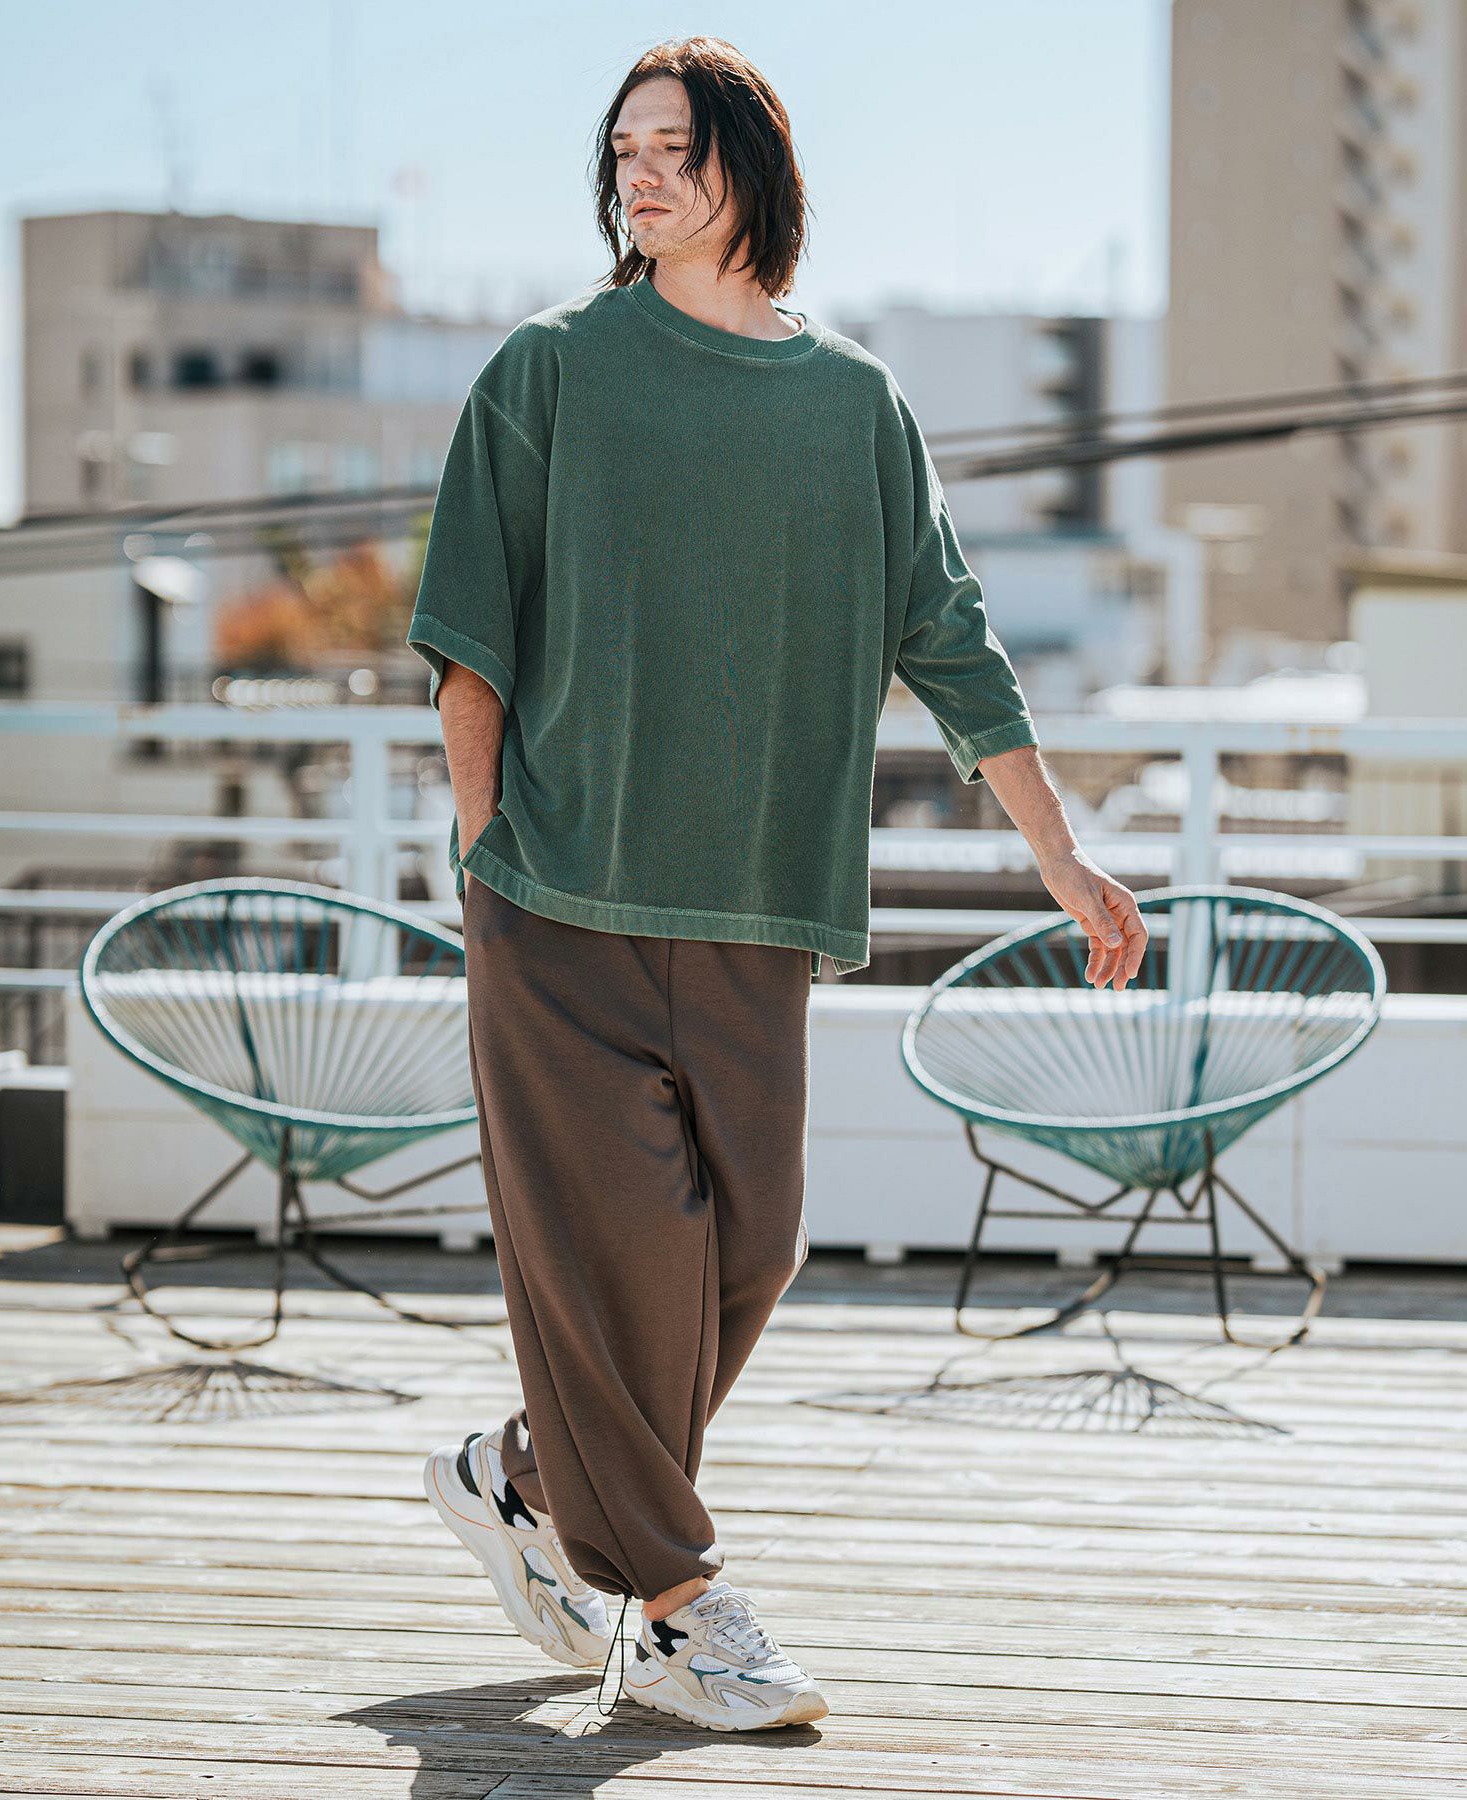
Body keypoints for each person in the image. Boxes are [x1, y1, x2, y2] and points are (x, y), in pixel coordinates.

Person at [406, 35, 1148, 1734]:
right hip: (562, 894)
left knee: (746, 1253)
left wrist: (1060, 852)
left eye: (675, 146)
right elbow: (468, 637)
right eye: (624, 152)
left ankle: (526, 1479)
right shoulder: (551, 369)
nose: (642, 175)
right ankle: (683, 1612)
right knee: (615, 1257)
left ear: (754, 164)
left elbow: (949, 638)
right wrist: (485, 852)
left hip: (757, 905)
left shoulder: (854, 404)